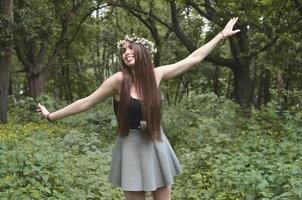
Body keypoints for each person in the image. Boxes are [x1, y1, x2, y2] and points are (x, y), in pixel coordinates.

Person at [37, 17, 240, 200]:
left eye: (130, 48)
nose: (126, 53)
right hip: (131, 145)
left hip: (155, 141)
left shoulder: (156, 75)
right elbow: (85, 102)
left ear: (143, 51)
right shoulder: (118, 81)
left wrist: (221, 36)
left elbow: (193, 59)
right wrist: (50, 116)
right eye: (123, 50)